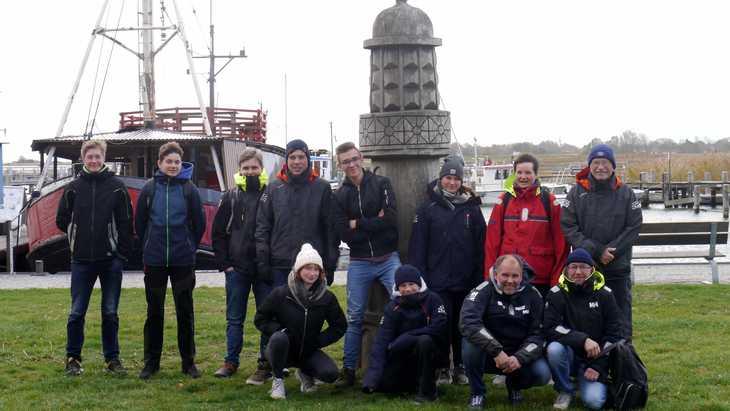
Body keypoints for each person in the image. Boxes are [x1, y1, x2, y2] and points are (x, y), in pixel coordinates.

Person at [56, 139, 133, 376]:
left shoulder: (117, 187)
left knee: (110, 312)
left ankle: (112, 359)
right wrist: (75, 239)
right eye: (89, 157)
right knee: (76, 312)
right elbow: (62, 219)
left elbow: (126, 223)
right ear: (83, 158)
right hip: (81, 260)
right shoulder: (73, 188)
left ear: (103, 158)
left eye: (97, 156)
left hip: (110, 260)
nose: (94, 160)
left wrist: (120, 254)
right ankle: (73, 358)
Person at [409, 154, 487, 385]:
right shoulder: (427, 208)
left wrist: (479, 276)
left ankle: (460, 367)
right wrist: (421, 277)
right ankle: (443, 366)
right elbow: (418, 246)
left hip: (465, 279)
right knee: (442, 323)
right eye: (448, 178)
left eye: (456, 179)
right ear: (441, 179)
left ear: (461, 181)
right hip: (437, 278)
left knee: (461, 326)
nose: (452, 182)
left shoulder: (471, 209)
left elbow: (481, 244)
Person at [134, 142, 206, 380]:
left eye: (176, 162)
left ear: (180, 163)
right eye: (169, 161)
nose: (173, 165)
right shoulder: (149, 189)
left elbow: (199, 223)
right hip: (154, 259)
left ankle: (188, 362)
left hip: (182, 259)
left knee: (185, 311)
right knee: (154, 312)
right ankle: (151, 363)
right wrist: (148, 245)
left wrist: (189, 246)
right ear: (160, 163)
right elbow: (140, 223)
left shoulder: (189, 189)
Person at [331, 141, 401, 387]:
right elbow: (343, 233)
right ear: (340, 165)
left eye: (353, 159)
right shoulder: (339, 195)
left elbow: (391, 219)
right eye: (345, 162)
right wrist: (371, 222)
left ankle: (399, 362)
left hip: (388, 257)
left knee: (402, 304)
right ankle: (349, 369)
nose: (351, 165)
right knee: (354, 316)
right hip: (359, 260)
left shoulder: (382, 184)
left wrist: (357, 223)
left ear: (361, 157)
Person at [560, 144, 642, 338]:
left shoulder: (627, 193)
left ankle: (623, 360)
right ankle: (591, 362)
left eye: (605, 162)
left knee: (620, 317)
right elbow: (568, 226)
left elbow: (634, 226)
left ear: (613, 166)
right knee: (586, 316)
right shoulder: (576, 193)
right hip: (586, 268)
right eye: (595, 163)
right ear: (589, 166)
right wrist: (597, 251)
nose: (600, 167)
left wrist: (611, 252)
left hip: (617, 267)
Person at [254, 243, 347, 400]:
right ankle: (278, 381)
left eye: (316, 269)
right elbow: (260, 319)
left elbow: (339, 326)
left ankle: (305, 373)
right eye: (307, 268)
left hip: (309, 350)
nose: (312, 273)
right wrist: (279, 330)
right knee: (278, 338)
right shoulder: (281, 293)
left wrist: (318, 341)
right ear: (298, 270)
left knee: (330, 374)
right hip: (282, 348)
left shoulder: (327, 297)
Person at [212, 148, 273, 382]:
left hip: (264, 267)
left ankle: (266, 361)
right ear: (239, 170)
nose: (250, 172)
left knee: (266, 318)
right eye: (245, 168)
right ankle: (230, 361)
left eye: (254, 168)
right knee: (234, 318)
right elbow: (217, 232)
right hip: (237, 268)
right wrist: (224, 264)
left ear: (261, 168)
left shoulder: (271, 193)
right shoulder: (230, 196)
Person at [460, 254, 551, 409]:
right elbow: (468, 323)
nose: (510, 280)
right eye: (505, 275)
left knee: (542, 374)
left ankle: (514, 385)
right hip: (490, 354)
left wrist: (520, 357)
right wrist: (496, 351)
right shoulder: (482, 290)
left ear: (522, 275)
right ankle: (477, 393)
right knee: (469, 343)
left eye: (515, 276)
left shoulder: (533, 295)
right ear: (496, 274)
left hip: (517, 354)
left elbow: (539, 334)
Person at [544, 248, 623, 410]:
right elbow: (550, 328)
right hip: (569, 356)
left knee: (594, 403)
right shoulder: (556, 294)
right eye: (573, 267)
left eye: (583, 267)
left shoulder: (605, 295)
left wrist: (598, 366)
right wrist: (583, 339)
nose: (578, 272)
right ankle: (565, 390)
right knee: (554, 348)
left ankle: (588, 381)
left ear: (592, 269)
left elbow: (614, 334)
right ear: (566, 269)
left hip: (595, 358)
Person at [255, 138, 338, 288]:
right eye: (292, 157)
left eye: (301, 157)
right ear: (287, 160)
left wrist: (330, 264)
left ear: (308, 159)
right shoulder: (273, 188)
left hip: (312, 265)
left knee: (311, 311)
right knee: (282, 310)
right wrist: (263, 262)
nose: (297, 162)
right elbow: (263, 227)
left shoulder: (322, 188)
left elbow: (330, 229)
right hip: (280, 265)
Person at [485, 153, 568, 297]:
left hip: (540, 278)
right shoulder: (503, 201)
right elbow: (492, 243)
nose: (523, 177)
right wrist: (491, 275)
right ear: (514, 174)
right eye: (519, 172)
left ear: (536, 174)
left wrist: (556, 281)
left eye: (528, 172)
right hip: (508, 278)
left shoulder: (549, 201)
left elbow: (561, 244)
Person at [361, 265, 447, 404]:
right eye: (403, 285)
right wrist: (372, 378)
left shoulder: (433, 299)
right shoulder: (392, 307)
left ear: (419, 284)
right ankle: (412, 384)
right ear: (397, 287)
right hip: (402, 354)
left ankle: (428, 393)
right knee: (385, 386)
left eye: (412, 284)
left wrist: (408, 337)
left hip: (430, 353)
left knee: (425, 341)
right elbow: (381, 341)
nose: (407, 289)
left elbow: (439, 328)